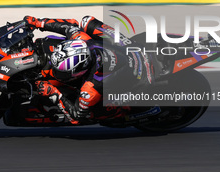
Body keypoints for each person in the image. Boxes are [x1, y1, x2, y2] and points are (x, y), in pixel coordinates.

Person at [24, 15, 154, 124]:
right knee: (87, 21)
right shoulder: (82, 40)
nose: (55, 72)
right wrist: (39, 23)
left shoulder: (90, 87)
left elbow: (76, 117)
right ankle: (128, 43)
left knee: (93, 112)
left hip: (139, 77)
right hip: (131, 50)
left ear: (79, 72)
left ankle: (125, 112)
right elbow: (70, 25)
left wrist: (55, 93)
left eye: (61, 72)